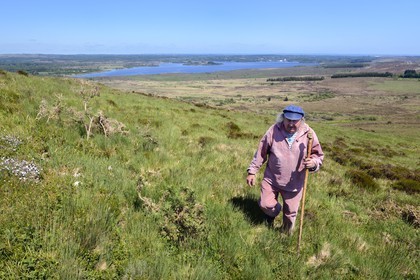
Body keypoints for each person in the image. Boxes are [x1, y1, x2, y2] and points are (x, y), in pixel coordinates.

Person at [246, 105, 324, 234]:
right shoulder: (273, 130)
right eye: (288, 120)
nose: (291, 124)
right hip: (272, 179)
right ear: (283, 118)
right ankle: (272, 214)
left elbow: (318, 155)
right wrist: (252, 171)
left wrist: (314, 163)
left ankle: (285, 235)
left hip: (294, 183)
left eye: (295, 121)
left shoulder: (309, 134)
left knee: (290, 214)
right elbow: (261, 152)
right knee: (265, 204)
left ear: (301, 120)